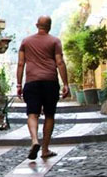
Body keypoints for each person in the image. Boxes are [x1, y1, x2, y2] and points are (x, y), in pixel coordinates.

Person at [16, 15, 71, 160]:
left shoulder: (26, 42)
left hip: (32, 82)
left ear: (36, 25)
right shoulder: (55, 41)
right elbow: (60, 62)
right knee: (49, 115)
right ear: (50, 26)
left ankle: (34, 140)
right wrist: (66, 84)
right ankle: (45, 149)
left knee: (32, 114)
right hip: (50, 82)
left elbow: (21, 63)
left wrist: (19, 84)